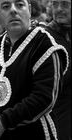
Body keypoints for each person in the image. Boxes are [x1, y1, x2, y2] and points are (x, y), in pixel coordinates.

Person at [0, 0, 69, 139]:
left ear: (29, 10)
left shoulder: (45, 45)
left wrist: (4, 122)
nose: (13, 10)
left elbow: (44, 97)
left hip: (35, 134)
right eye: (6, 6)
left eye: (20, 5)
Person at [45, 0, 71, 140]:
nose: (59, 9)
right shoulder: (46, 37)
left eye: (65, 4)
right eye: (55, 4)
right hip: (57, 117)